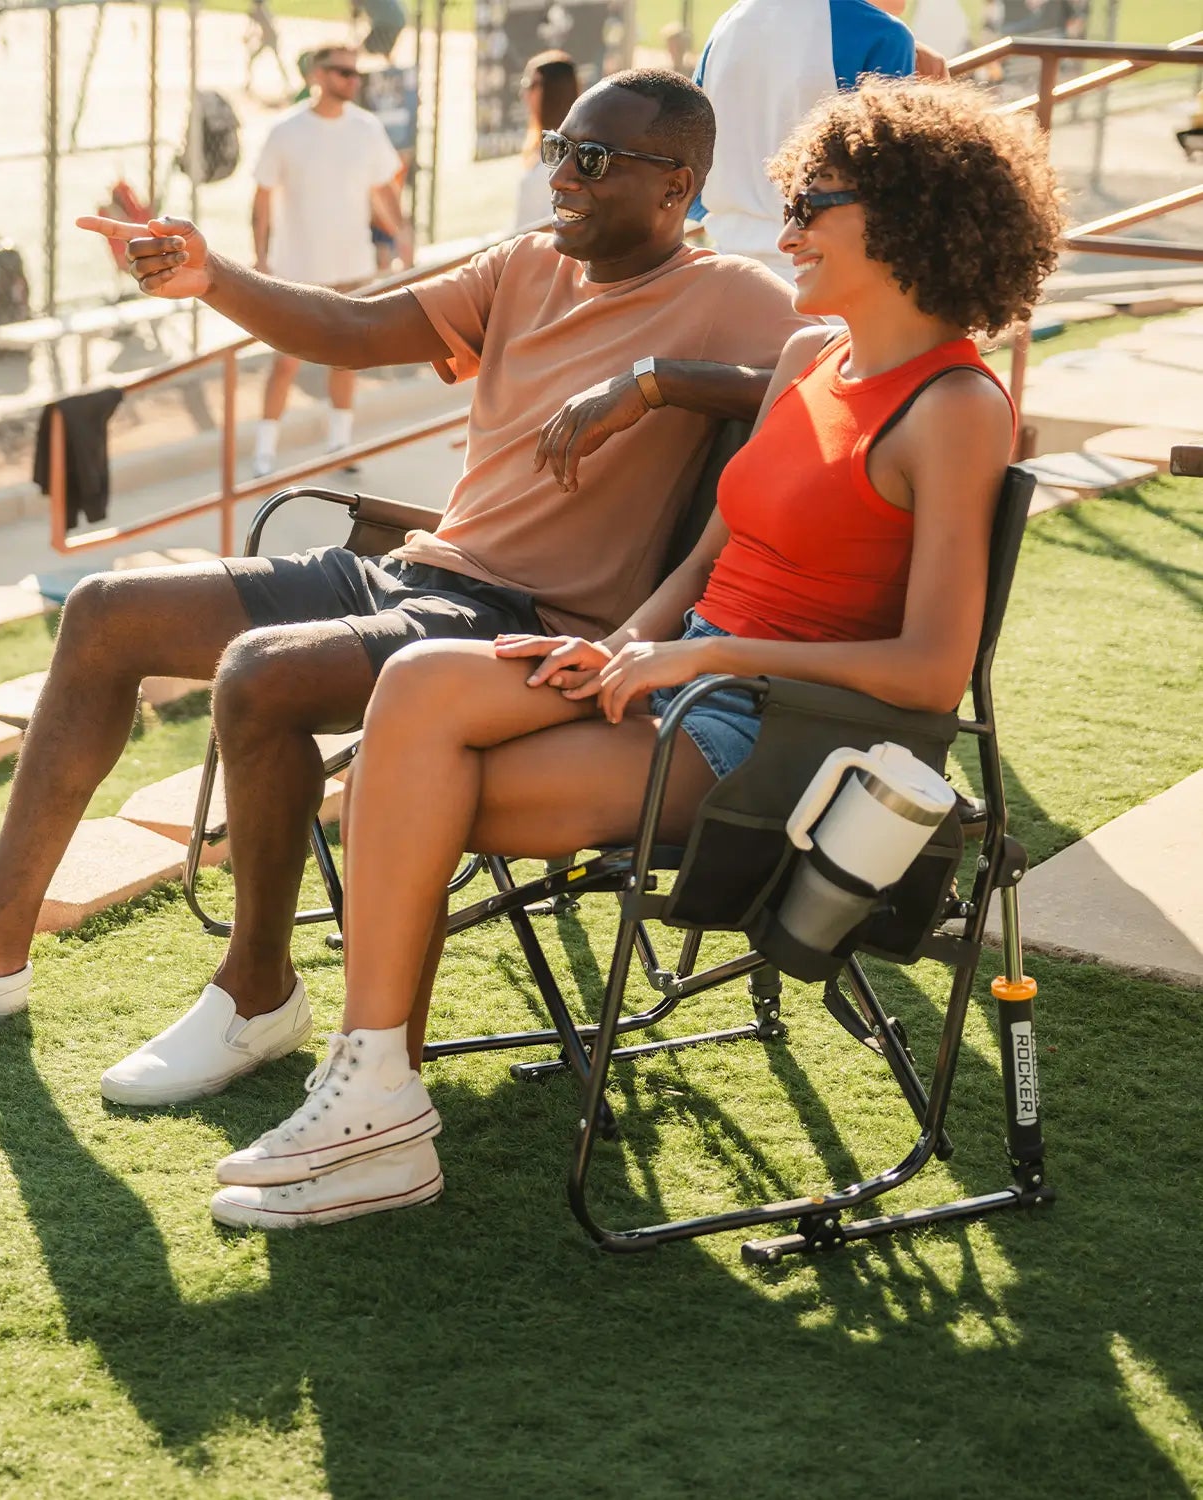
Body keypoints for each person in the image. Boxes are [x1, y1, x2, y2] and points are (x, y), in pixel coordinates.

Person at [0, 71, 811, 1108]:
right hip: (418, 570)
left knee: (262, 676)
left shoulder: (732, 295)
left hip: (525, 623)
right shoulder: (524, 265)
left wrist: (661, 379)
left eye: (591, 160)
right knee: (106, 612)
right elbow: (355, 330)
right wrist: (211, 276)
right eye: (559, 145)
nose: (561, 173)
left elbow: (842, 385)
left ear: (676, 184)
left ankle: (257, 994)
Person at [205, 77, 1065, 1231]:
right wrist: (623, 646)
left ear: (907, 215)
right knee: (414, 694)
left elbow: (928, 672)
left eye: (816, 201)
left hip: (770, 737)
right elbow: (715, 552)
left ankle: (377, 1111)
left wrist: (690, 666)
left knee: (400, 787)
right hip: (681, 680)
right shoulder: (814, 352)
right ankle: (379, 1096)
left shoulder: (957, 407)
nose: (791, 225)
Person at [688, 0, 938, 280]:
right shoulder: (883, 34)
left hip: (724, 267)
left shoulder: (726, 25)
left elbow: (695, 176)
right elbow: (892, 191)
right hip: (825, 281)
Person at [249, 42, 409, 478]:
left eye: (356, 73)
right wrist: (261, 258)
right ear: (316, 75)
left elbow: (385, 190)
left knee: (347, 356)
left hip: (352, 266)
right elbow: (262, 196)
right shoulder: (285, 130)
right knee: (285, 360)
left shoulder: (367, 128)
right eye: (341, 72)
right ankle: (265, 450)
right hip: (295, 269)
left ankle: (339, 445)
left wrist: (403, 238)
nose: (351, 80)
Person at [513, 51, 579, 230]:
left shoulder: (563, 155)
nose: (523, 94)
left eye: (529, 84)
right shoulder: (545, 144)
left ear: (551, 91)